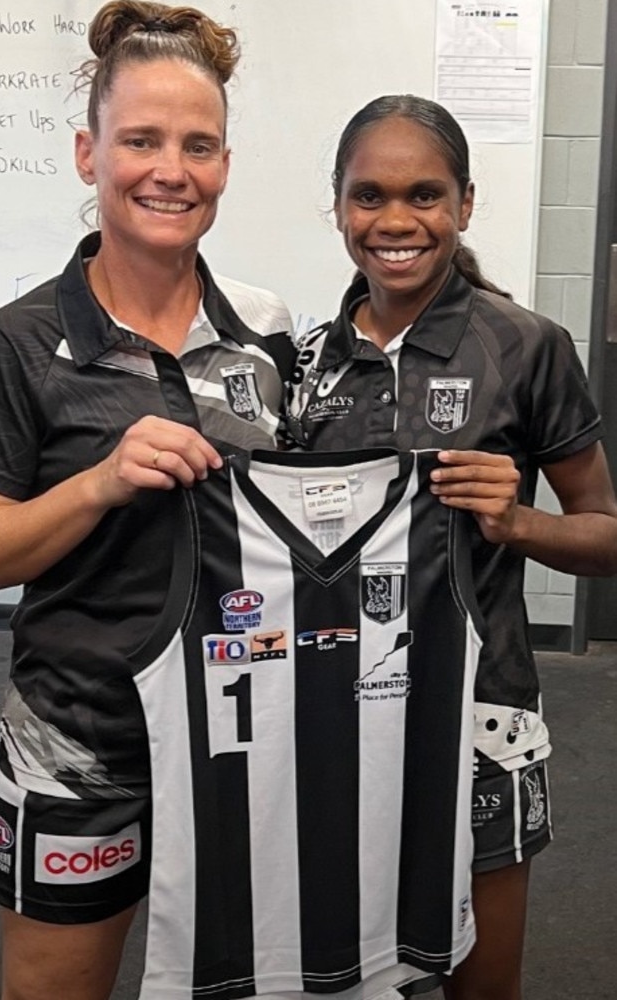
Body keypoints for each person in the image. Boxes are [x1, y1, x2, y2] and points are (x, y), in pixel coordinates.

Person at [0, 3, 293, 999]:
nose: (170, 169)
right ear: (86, 153)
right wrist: (98, 482)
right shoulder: (18, 343)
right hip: (81, 737)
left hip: (243, 733)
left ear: (226, 165)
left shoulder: (269, 333)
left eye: (197, 145)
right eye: (140, 140)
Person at [285, 94, 617, 1000]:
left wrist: (520, 523)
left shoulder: (527, 346)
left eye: (424, 194)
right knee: (331, 967)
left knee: (479, 979)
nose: (395, 221)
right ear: (339, 205)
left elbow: (606, 532)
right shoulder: (301, 364)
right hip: (328, 716)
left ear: (465, 203)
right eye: (368, 196)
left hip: (482, 711)